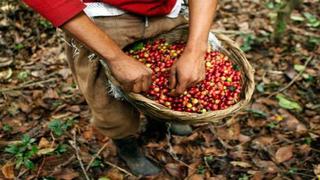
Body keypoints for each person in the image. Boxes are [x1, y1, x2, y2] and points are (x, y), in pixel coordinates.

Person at [23, 0, 218, 176]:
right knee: (108, 101)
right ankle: (125, 144)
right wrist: (115, 58)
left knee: (170, 82)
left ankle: (160, 119)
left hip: (165, 13)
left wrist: (195, 50)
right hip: (101, 19)